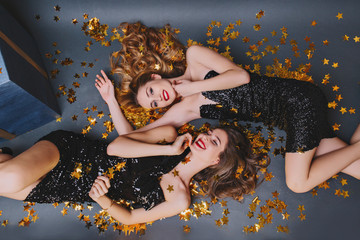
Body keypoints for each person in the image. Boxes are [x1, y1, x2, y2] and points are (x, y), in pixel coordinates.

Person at [95, 22, 360, 194]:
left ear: (155, 77)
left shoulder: (195, 57)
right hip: (288, 120)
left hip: (296, 100)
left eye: (151, 91)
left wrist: (191, 87)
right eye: (153, 104)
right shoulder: (182, 111)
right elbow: (126, 140)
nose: (158, 98)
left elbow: (241, 77)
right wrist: (110, 101)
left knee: (297, 183)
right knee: (355, 166)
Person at [0, 125, 267, 225]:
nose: (206, 138)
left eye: (214, 142)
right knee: (8, 179)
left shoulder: (180, 200)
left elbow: (129, 218)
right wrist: (170, 148)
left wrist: (102, 199)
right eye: (209, 133)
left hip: (76, 189)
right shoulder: (171, 135)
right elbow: (115, 147)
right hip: (73, 153)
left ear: (217, 160)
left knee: (7, 182)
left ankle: (5, 157)